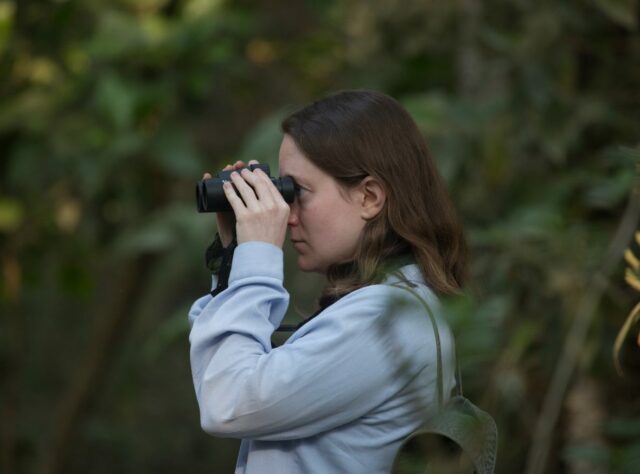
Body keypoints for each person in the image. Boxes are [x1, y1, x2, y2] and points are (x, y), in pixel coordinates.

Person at [188, 90, 468, 473]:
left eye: (297, 191)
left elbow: (228, 404)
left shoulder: (391, 320)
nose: (287, 215)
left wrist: (256, 262)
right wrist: (236, 256)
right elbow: (220, 380)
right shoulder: (387, 307)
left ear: (369, 196)